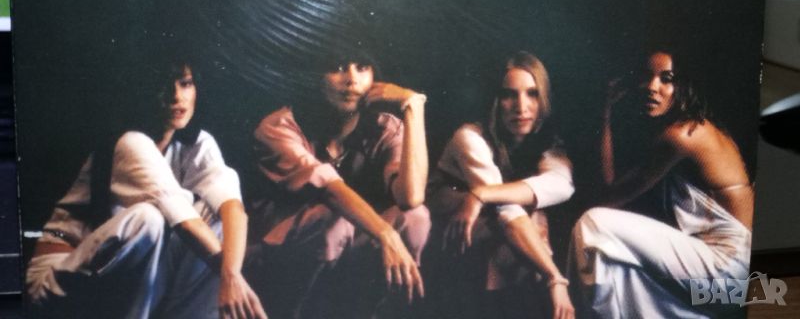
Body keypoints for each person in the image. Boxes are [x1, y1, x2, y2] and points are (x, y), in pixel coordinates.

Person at [26, 54, 267, 319]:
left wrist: (232, 275)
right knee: (149, 219)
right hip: (61, 278)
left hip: (122, 284)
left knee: (217, 220)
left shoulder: (197, 144)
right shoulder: (130, 142)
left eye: (185, 83)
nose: (176, 96)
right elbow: (185, 223)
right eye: (164, 84)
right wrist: (231, 278)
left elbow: (233, 208)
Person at [247, 43, 430, 319]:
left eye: (362, 67)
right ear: (315, 76)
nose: (352, 79)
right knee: (333, 219)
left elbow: (411, 197)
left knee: (415, 217)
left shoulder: (384, 128)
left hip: (344, 255)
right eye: (338, 67)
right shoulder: (279, 127)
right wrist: (386, 234)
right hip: (273, 261)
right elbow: (330, 190)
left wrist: (413, 107)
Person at [570, 49, 754, 318]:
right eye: (646, 77)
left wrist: (605, 115)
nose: (651, 87)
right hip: (728, 274)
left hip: (725, 273)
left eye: (666, 79)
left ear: (684, 86)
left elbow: (609, 196)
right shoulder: (702, 127)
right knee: (618, 262)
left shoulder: (682, 136)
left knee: (593, 224)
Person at [427, 51, 576, 319]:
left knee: (534, 227)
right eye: (509, 95)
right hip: (449, 228)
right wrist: (555, 278)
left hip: (499, 222)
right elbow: (507, 210)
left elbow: (561, 185)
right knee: (509, 239)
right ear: (495, 100)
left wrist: (481, 194)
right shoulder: (469, 137)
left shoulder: (548, 143)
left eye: (532, 94)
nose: (521, 106)